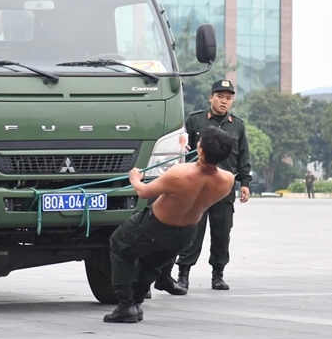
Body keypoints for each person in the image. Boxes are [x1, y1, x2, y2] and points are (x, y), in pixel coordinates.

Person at [103, 127, 236, 324]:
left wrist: (135, 178)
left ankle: (125, 304)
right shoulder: (227, 180)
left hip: (154, 225)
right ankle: (135, 303)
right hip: (185, 236)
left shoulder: (179, 174)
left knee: (119, 245)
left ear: (199, 151)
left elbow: (144, 192)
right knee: (152, 263)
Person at [155, 79, 251, 295]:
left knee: (222, 232)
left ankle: (218, 274)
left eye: (228, 98)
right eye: (220, 97)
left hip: (223, 189)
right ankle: (183, 275)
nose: (224, 102)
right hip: (196, 188)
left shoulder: (238, 125)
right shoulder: (195, 121)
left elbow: (244, 156)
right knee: (192, 231)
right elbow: (181, 150)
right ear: (211, 97)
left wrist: (245, 183)